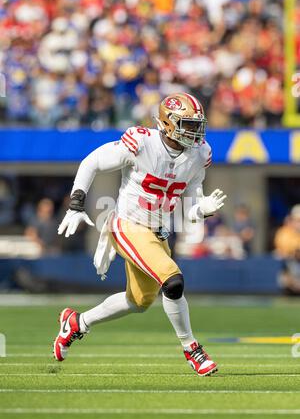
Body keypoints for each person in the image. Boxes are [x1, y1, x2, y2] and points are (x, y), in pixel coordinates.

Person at [53, 93, 227, 376]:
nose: (195, 132)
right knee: (173, 282)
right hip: (128, 225)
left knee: (139, 301)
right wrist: (75, 204)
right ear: (168, 123)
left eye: (197, 125)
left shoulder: (199, 154)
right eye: (188, 124)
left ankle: (77, 323)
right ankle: (192, 349)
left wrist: (202, 208)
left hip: (157, 232)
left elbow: (191, 203)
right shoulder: (142, 142)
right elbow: (92, 162)